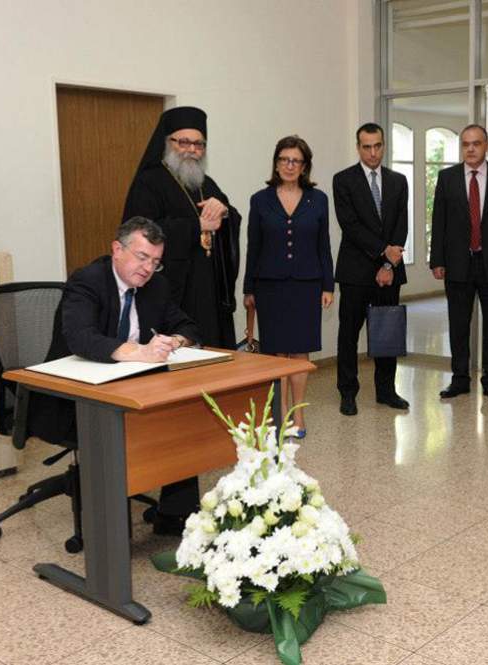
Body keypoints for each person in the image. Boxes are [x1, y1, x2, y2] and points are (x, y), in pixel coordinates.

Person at [28, 217, 202, 535]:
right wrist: (139, 352)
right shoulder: (87, 281)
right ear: (117, 250)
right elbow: (81, 337)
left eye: (156, 262)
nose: (148, 268)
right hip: (72, 398)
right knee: (123, 428)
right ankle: (110, 537)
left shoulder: (155, 286)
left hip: (129, 390)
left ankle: (174, 515)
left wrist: (174, 341)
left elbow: (187, 325)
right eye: (142, 257)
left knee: (181, 416)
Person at [122, 106, 241, 348]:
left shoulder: (206, 183)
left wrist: (224, 211)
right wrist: (196, 225)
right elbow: (140, 232)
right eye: (184, 142)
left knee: (214, 350)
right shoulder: (149, 181)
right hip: (173, 288)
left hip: (210, 286)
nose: (192, 150)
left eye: (199, 144)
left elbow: (231, 217)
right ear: (167, 142)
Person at [243, 136, 334, 437]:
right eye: (284, 159)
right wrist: (248, 289)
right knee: (276, 354)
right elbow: (253, 247)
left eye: (296, 160)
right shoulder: (260, 200)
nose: (289, 165)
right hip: (270, 287)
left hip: (307, 286)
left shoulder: (318, 199)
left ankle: (299, 415)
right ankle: (279, 414)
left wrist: (328, 285)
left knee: (299, 353)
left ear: (305, 166)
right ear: (276, 163)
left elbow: (323, 246)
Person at [429, 124, 488, 403]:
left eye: (476, 143)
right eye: (465, 144)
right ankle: (459, 379)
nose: (470, 149)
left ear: (486, 146)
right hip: (457, 263)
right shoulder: (447, 177)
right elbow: (439, 220)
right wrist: (437, 260)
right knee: (458, 325)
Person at [332, 123, 409, 416]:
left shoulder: (398, 181)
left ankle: (386, 391)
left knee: (387, 332)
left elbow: (401, 224)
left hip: (390, 272)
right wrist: (382, 251)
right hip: (355, 271)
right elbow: (350, 225)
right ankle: (348, 393)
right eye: (367, 147)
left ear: (384, 146)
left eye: (377, 146)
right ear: (358, 148)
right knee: (348, 335)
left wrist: (389, 263)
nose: (373, 152)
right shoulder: (343, 180)